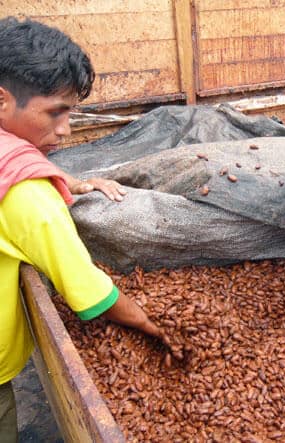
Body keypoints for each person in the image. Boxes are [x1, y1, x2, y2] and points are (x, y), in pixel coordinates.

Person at [0, 17, 161, 441]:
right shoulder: (30, 196)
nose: (66, 129)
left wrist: (70, 182)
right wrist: (151, 326)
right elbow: (88, 290)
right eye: (56, 112)